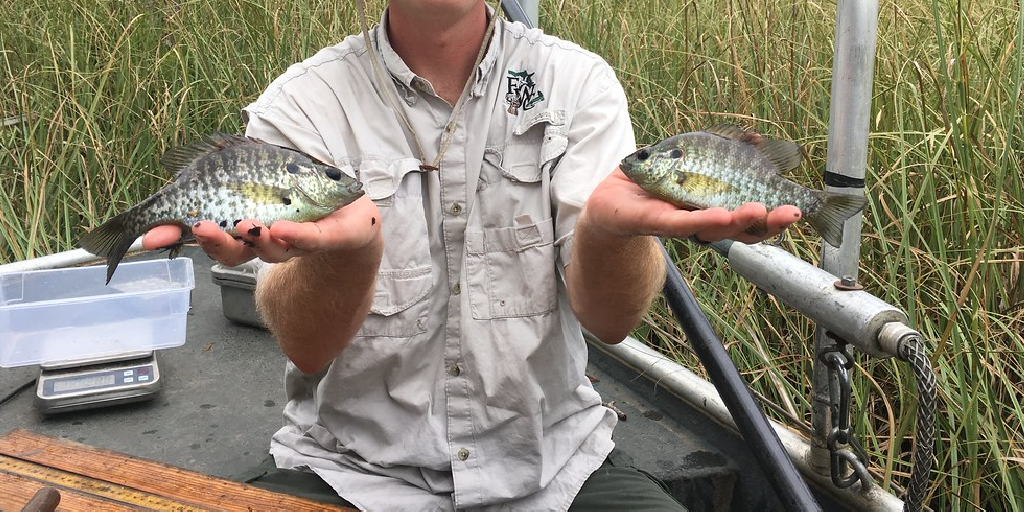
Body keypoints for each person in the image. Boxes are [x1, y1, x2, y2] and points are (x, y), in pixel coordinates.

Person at [144, 1, 800, 509]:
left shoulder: (576, 86)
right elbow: (307, 350)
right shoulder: (304, 106)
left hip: (555, 474)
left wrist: (606, 230)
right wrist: (351, 253)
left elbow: (610, 321)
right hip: (353, 473)